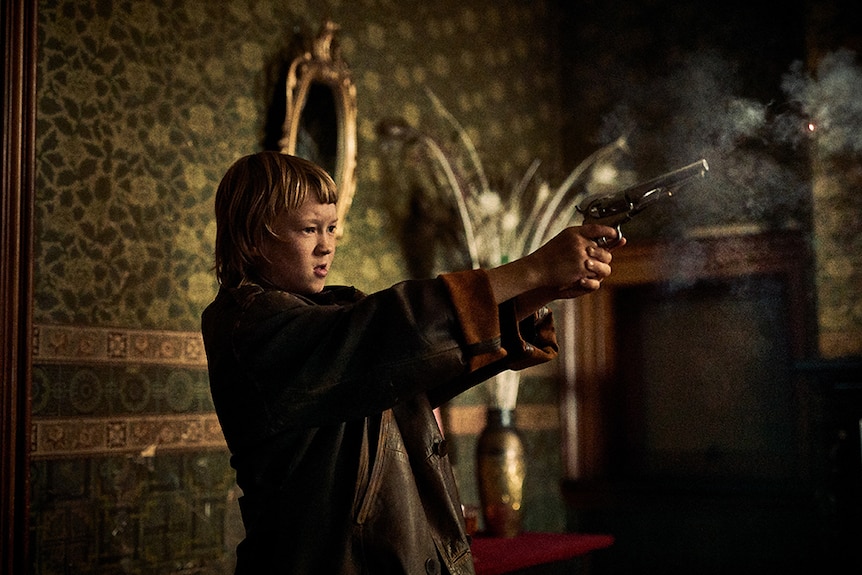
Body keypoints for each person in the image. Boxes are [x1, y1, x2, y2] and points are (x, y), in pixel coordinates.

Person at [201, 151, 624, 575]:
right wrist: (534, 269)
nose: (326, 244)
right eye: (308, 229)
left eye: (331, 228)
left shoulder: (327, 326)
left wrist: (540, 291)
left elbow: (415, 364)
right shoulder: (250, 329)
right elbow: (388, 333)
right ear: (255, 237)